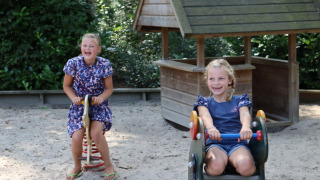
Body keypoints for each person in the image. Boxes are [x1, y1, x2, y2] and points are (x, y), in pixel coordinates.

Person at [63, 33, 116, 180]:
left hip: (98, 105)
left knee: (95, 133)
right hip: (79, 105)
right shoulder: (73, 63)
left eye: (91, 46)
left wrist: (100, 98)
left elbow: (109, 89)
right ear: (81, 47)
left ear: (98, 49)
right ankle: (77, 166)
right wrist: (74, 98)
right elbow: (66, 86)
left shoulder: (104, 64)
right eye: (85, 45)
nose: (87, 48)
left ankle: (109, 166)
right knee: (77, 136)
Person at [193, 59, 256, 176]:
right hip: (215, 143)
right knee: (216, 167)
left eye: (221, 78)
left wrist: (246, 127)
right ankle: (220, 165)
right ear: (207, 81)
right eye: (211, 79)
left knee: (246, 167)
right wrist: (211, 128)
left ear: (230, 81)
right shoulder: (204, 102)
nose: (216, 83)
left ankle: (233, 164)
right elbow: (204, 115)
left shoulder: (240, 100)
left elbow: (245, 114)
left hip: (237, 142)